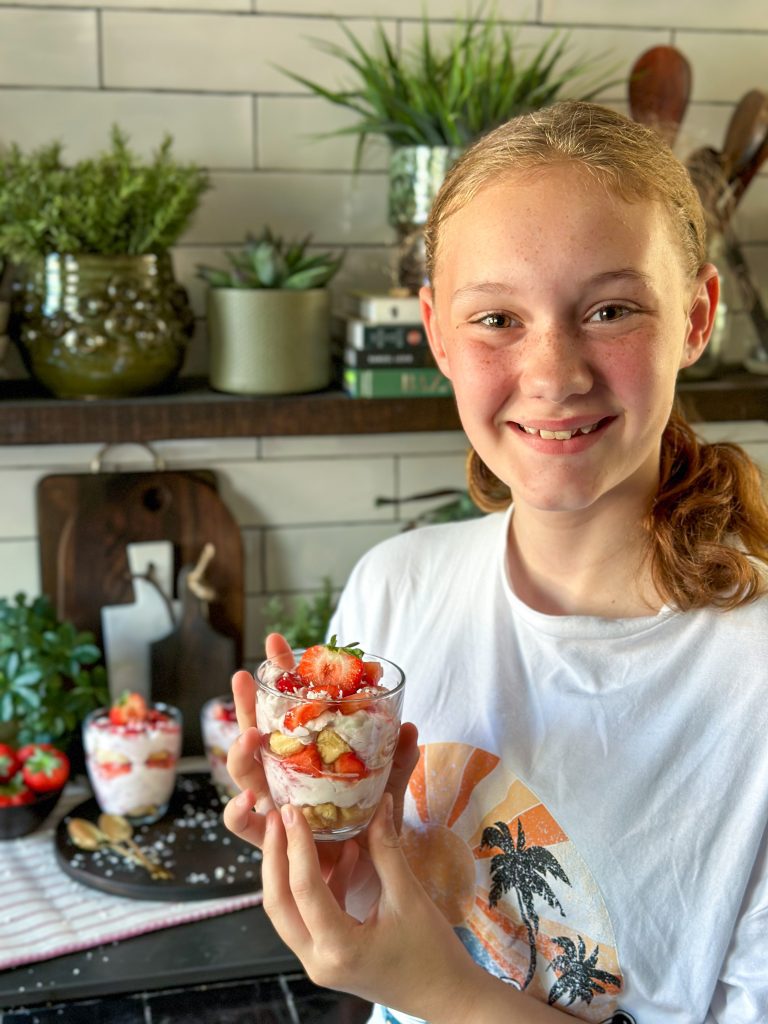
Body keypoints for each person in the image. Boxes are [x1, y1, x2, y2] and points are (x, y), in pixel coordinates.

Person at [224, 101, 768, 1024]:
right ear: (437, 332)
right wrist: (350, 865)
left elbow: (423, 983)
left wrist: (433, 990)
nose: (554, 373)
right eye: (497, 318)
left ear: (697, 317)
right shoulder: (395, 587)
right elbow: (404, 926)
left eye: (610, 309)